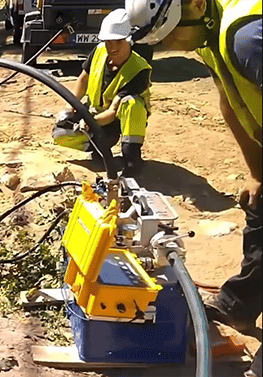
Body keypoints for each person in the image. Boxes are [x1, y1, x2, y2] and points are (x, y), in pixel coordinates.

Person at [125, 0, 261, 375]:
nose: (168, 46)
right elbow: (230, 104)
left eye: (169, 35)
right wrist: (258, 172)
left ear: (197, 4)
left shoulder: (247, 36)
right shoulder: (209, 35)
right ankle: (239, 307)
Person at [52, 9, 152, 178]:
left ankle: (131, 159)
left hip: (117, 122)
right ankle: (99, 148)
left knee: (132, 105)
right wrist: (71, 107)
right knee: (60, 134)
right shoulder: (99, 51)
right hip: (95, 114)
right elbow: (83, 80)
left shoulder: (140, 70)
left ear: (128, 39)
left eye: (118, 42)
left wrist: (90, 122)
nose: (112, 47)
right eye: (108, 42)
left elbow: (113, 111)